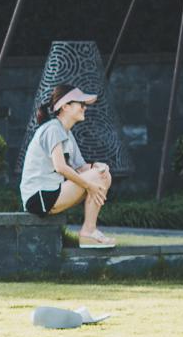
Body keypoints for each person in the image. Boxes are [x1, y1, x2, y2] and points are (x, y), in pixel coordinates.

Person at [18, 84, 117, 248]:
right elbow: (60, 167)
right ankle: (88, 232)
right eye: (81, 104)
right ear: (65, 106)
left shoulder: (66, 133)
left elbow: (82, 168)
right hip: (39, 197)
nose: (84, 108)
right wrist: (89, 185)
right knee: (96, 177)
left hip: (52, 192)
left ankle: (89, 232)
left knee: (103, 174)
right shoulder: (52, 129)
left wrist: (97, 166)